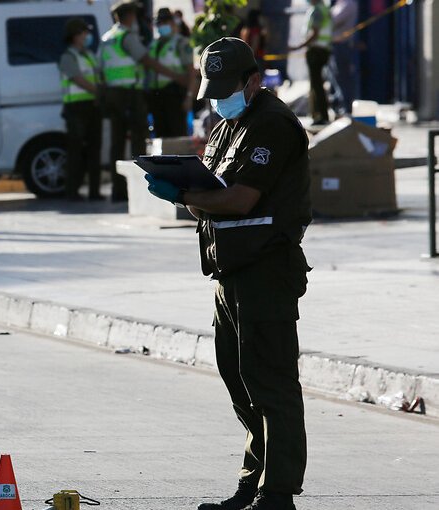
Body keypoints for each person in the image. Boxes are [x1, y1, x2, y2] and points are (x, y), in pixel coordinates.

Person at [144, 37, 311, 510]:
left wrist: (181, 195)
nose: (218, 98)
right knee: (241, 384)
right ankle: (252, 482)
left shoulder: (273, 125)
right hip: (229, 272)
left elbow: (240, 199)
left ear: (253, 81)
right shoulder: (227, 126)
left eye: (226, 88)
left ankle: (278, 493)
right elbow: (211, 198)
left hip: (266, 272)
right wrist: (185, 186)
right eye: (211, 88)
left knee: (271, 385)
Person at [100, 1, 183, 201]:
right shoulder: (127, 37)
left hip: (112, 93)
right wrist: (174, 75)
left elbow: (100, 69)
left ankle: (117, 190)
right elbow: (147, 60)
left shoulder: (107, 38)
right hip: (129, 94)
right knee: (139, 140)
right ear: (129, 17)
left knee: (117, 143)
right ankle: (139, 190)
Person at [59, 17, 102, 200]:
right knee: (76, 151)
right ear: (75, 35)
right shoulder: (68, 57)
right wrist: (100, 92)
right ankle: (72, 191)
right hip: (76, 108)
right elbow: (79, 80)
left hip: (92, 106)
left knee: (94, 150)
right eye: (84, 32)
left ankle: (94, 191)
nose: (87, 35)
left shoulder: (89, 55)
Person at [147, 8, 196, 138]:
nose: (161, 26)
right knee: (160, 135)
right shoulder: (154, 43)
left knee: (177, 133)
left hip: (174, 94)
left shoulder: (181, 42)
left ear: (172, 23)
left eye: (164, 22)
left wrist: (189, 97)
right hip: (156, 95)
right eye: (159, 23)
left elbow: (191, 72)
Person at [289, 0, 333, 125]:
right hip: (323, 49)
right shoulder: (325, 8)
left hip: (316, 50)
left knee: (316, 85)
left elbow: (315, 32)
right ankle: (318, 114)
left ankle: (321, 115)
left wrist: (298, 46)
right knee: (318, 84)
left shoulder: (318, 10)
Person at [330, 0, 359, 115]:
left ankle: (346, 107)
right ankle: (339, 106)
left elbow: (332, 21)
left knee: (343, 77)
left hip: (342, 45)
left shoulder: (348, 4)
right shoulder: (339, 4)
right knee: (336, 77)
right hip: (335, 45)